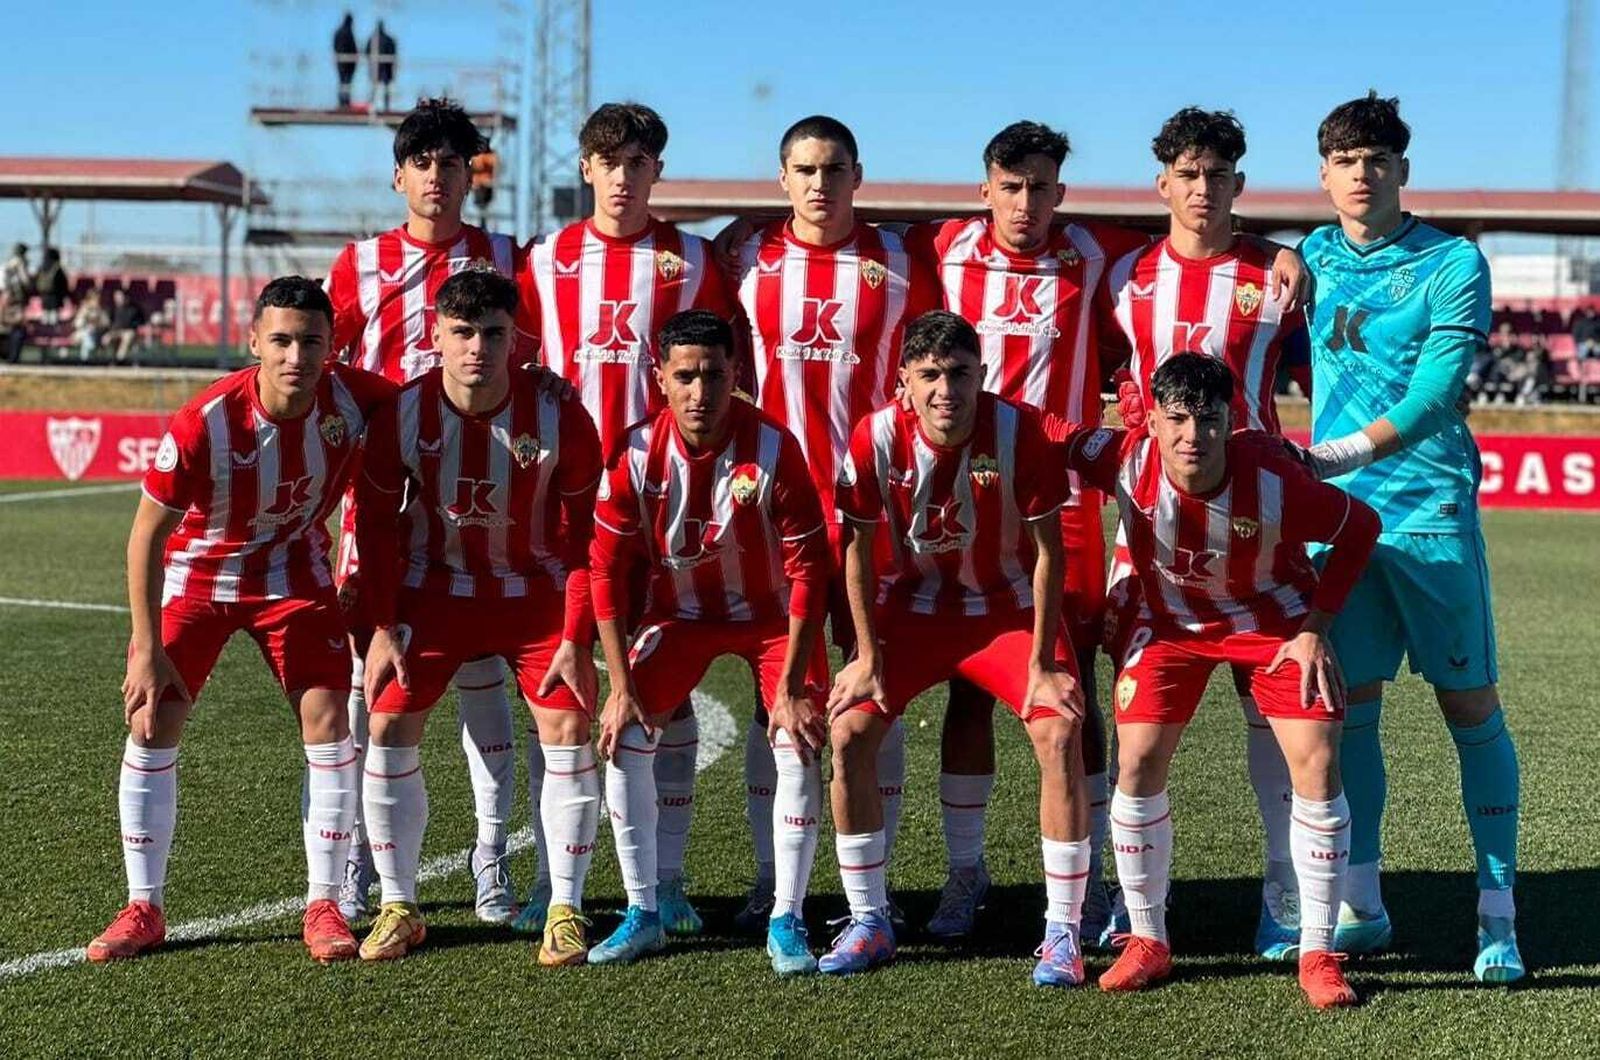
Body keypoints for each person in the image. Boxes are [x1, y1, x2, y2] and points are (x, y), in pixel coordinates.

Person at [84, 276, 396, 966]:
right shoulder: (207, 420)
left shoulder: (358, 399)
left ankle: (325, 903)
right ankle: (143, 905)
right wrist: (145, 648)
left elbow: (439, 407)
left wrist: (535, 386)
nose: (296, 355)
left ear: (331, 347)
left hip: (294, 576)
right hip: (201, 578)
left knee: (328, 722)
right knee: (153, 719)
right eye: (280, 339)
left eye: (311, 341)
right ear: (253, 342)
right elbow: (145, 537)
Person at [1060, 352, 1380, 1008]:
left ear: (1229, 420)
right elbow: (1048, 438)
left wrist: (1316, 627)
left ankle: (1318, 953)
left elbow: (1360, 529)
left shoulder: (1276, 481)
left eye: (1208, 420)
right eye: (1176, 419)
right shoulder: (1121, 458)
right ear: (1150, 420)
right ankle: (1147, 940)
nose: (1191, 436)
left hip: (1274, 624)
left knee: (1317, 761)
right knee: (1138, 760)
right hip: (1172, 627)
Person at [1297, 92, 1523, 982]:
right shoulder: (1310, 254)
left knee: (1470, 711)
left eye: (1377, 158)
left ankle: (1497, 915)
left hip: (1428, 518)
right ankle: (1362, 903)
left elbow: (1435, 398)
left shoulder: (1453, 262)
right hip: (1342, 527)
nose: (1362, 173)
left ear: (1402, 169)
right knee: (1351, 714)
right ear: (1324, 175)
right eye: (1345, 160)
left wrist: (1332, 454)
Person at [518, 101, 738, 937]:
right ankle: (552, 879)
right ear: (585, 169)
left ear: (657, 172)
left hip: (666, 505)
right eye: (607, 160)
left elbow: (721, 366)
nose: (622, 175)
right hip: (566, 507)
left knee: (666, 694)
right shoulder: (546, 260)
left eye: (638, 161)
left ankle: (669, 881)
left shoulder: (691, 260)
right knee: (561, 691)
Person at [1101, 107, 1315, 959]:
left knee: (1272, 717)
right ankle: (1135, 910)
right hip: (1150, 528)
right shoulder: (1121, 277)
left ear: (1239, 185)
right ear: (1163, 183)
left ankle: (1283, 892)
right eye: (1186, 174)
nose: (1201, 189)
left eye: (1217, 175)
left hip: (1256, 524)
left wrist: (1289, 246)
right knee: (1142, 723)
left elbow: (1322, 366)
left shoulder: (1279, 275)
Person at [824, 310, 1088, 984]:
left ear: (983, 375)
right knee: (851, 731)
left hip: (1006, 611)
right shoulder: (875, 436)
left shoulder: (1018, 430)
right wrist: (866, 656)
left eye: (960, 373)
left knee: (1059, 731)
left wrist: (1042, 663)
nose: (947, 389)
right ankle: (870, 918)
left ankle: (1063, 930)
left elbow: (1049, 552)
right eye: (931, 375)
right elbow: (854, 549)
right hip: (912, 611)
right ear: (903, 383)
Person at [354, 268, 603, 964]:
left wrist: (578, 638)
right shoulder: (402, 415)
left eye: (493, 333)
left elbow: (588, 537)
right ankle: (398, 906)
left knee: (568, 721)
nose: (477, 348)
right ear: (436, 335)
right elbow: (374, 528)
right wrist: (380, 628)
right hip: (435, 589)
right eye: (462, 333)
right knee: (388, 720)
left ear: (516, 339)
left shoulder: (560, 416)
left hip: (535, 592)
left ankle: (564, 908)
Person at [325, 97, 534, 927]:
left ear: (470, 177)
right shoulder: (359, 264)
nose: (438, 177)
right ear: (398, 175)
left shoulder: (509, 260)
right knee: (358, 687)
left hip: (476, 506)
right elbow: (323, 364)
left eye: (453, 163)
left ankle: (490, 856)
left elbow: (535, 363)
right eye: (424, 162)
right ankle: (355, 863)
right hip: (379, 503)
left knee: (483, 677)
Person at [728, 114, 939, 930]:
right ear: (783, 178)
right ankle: (768, 879)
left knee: (870, 686)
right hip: (774, 513)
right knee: (772, 697)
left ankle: (873, 888)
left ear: (859, 175)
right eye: (805, 170)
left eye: (834, 169)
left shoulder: (900, 261)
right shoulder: (743, 257)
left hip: (875, 513)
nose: (820, 185)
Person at [587, 310, 832, 974]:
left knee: (797, 739)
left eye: (715, 375)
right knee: (625, 735)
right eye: (686, 376)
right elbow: (604, 572)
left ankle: (787, 917)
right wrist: (619, 686)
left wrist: (791, 687)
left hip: (774, 621)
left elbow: (812, 571)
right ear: (659, 378)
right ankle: (644, 913)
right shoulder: (634, 453)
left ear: (737, 376)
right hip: (680, 617)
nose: (701, 392)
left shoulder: (776, 449)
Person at [104, 287, 149, 365]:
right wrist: (108, 333)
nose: (117, 299)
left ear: (125, 297)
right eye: (116, 297)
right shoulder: (113, 309)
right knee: (107, 338)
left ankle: (119, 360)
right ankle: (108, 361)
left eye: (119, 297)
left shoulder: (134, 309)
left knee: (127, 336)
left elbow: (140, 323)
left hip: (130, 332)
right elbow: (109, 324)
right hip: (115, 332)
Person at [73, 284, 109, 362]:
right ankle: (85, 361)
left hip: (98, 334)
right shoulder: (84, 309)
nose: (97, 301)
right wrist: (86, 319)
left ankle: (88, 361)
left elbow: (106, 323)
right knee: (88, 334)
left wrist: (96, 324)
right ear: (90, 299)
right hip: (82, 333)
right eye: (95, 299)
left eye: (99, 299)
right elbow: (77, 324)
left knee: (91, 334)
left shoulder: (101, 310)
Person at [366, 20, 397, 111]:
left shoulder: (372, 39)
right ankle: (386, 106)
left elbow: (367, 52)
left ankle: (372, 104)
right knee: (384, 87)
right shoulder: (388, 39)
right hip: (386, 68)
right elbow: (393, 52)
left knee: (375, 87)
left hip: (378, 67)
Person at [35, 248, 69, 326]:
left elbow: (36, 280)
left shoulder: (42, 267)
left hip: (44, 295)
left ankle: (44, 331)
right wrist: (64, 294)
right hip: (55, 295)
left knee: (45, 315)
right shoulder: (57, 267)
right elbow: (63, 282)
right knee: (54, 317)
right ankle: (54, 332)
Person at [333, 12, 358, 109]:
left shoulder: (338, 32)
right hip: (348, 62)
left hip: (340, 61)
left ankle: (341, 101)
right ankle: (346, 101)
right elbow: (352, 47)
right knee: (346, 82)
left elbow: (335, 45)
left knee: (342, 81)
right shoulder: (349, 33)